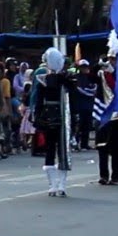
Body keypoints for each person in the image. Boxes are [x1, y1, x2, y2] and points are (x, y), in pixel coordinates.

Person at [32, 48, 74, 196]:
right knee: (62, 151)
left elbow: (38, 102)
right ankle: (60, 185)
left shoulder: (45, 80)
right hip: (62, 117)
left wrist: (36, 118)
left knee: (51, 150)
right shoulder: (65, 79)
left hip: (50, 116)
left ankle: (54, 186)